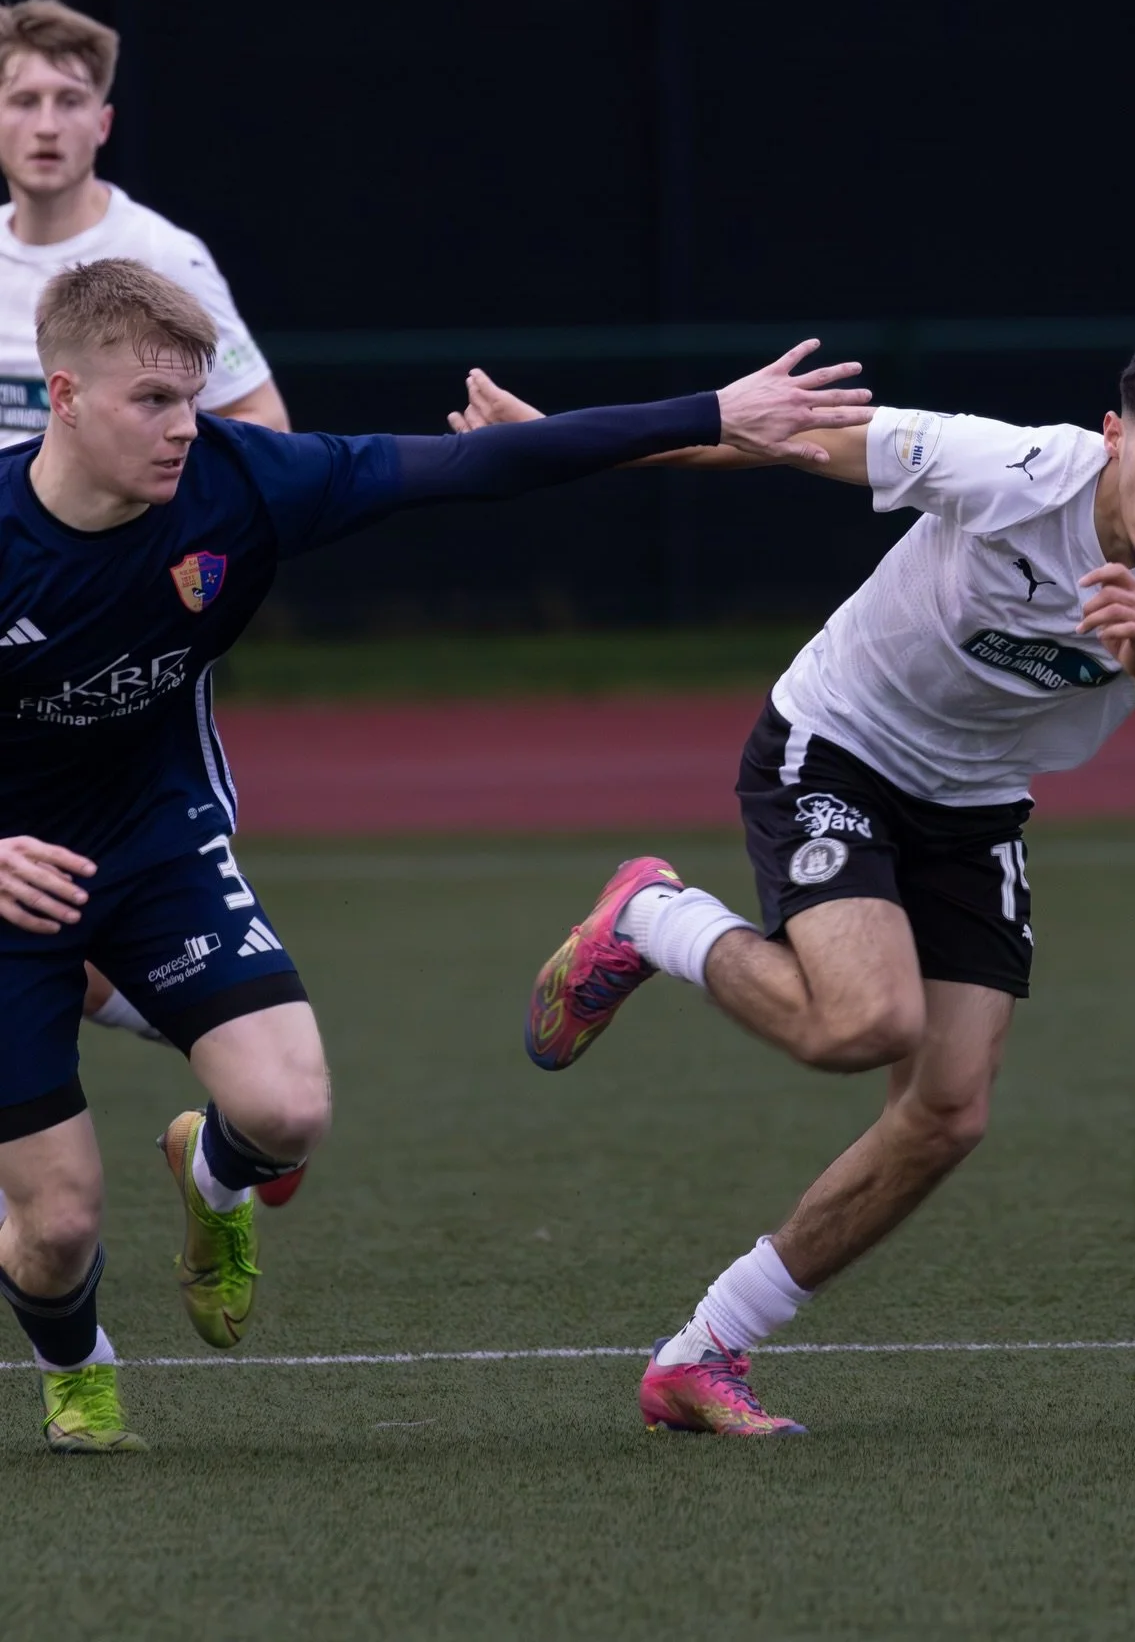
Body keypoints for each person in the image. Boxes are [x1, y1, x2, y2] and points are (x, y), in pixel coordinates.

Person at [0, 258, 869, 1453]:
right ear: (65, 397)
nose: (181, 428)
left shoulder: (241, 484)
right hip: (6, 883)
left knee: (288, 1110)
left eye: (191, 398)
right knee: (54, 1230)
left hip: (155, 844)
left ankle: (212, 1174)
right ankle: (78, 1369)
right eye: (151, 400)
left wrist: (713, 414)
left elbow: (478, 466)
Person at [474, 328, 1135, 1436]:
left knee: (949, 1112)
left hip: (978, 805)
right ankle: (651, 917)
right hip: (838, 746)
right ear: (1116, 436)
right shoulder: (1004, 468)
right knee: (860, 1024)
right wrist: (552, 446)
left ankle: (701, 1356)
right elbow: (770, 440)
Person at [0, 0, 290, 1058]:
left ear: (103, 123)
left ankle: (216, 1033)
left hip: (108, 631)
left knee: (67, 891)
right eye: (22, 97)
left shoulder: (158, 258)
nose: (44, 123)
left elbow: (260, 428)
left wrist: (167, 567)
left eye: (68, 100)